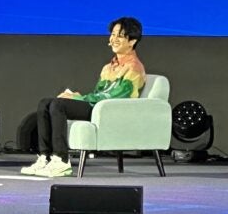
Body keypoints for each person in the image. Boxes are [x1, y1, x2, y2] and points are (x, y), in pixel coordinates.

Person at [21, 16, 146, 178]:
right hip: (98, 107)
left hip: (109, 112)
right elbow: (98, 93)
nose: (114, 39)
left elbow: (115, 96)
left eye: (120, 36)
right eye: (113, 34)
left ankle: (61, 160)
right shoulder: (108, 67)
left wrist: (78, 99)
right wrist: (76, 96)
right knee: (45, 103)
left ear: (132, 41)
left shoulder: (134, 67)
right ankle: (45, 157)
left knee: (58, 105)